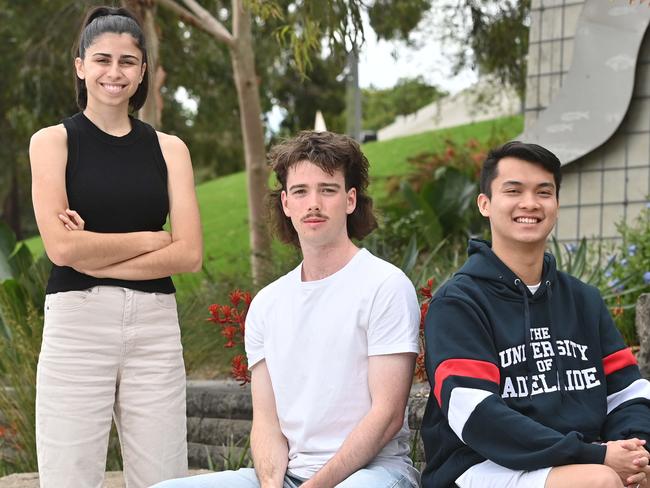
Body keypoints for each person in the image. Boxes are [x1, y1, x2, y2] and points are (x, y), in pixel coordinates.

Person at [153, 130, 420, 488]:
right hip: (289, 478)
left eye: (328, 189)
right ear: (286, 203)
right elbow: (266, 423)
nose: (314, 203)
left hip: (374, 474)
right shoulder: (267, 304)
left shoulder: (384, 286)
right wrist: (271, 485)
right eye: (301, 191)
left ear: (350, 200)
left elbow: (387, 415)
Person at [29, 6, 202, 488]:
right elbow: (62, 250)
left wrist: (94, 252)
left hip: (155, 328)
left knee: (164, 479)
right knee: (70, 476)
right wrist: (152, 240)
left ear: (142, 70)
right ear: (80, 66)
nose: (114, 72)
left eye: (127, 61)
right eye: (102, 59)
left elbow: (189, 254)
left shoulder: (170, 149)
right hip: (77, 325)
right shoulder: (52, 143)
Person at [420, 141, 650, 488]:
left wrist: (634, 449)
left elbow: (628, 393)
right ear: (485, 204)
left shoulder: (583, 299)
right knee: (598, 481)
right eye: (514, 190)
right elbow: (477, 416)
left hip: (577, 460)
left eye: (544, 192)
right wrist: (594, 455)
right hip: (478, 467)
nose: (530, 203)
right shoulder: (458, 303)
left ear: (556, 204)